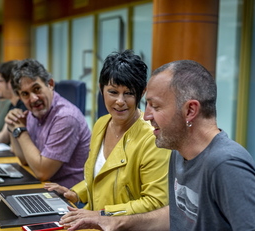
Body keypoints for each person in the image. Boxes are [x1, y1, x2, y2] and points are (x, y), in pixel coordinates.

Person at [60, 60, 255, 231]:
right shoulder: (178, 153)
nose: (148, 115)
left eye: (155, 106)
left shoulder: (226, 165)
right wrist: (114, 220)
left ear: (190, 111)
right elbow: (175, 214)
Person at [44, 50, 171, 217]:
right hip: (92, 220)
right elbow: (101, 177)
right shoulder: (101, 124)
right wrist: (75, 194)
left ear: (141, 93)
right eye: (113, 92)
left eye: (129, 93)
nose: (120, 101)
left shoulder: (152, 137)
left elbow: (156, 203)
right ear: (101, 89)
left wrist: (101, 215)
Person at [4, 58, 91, 188]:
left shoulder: (66, 117)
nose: (33, 98)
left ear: (50, 84)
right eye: (25, 94)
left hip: (70, 197)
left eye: (37, 89)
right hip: (44, 186)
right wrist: (13, 126)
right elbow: (24, 159)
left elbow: (42, 172)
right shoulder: (36, 112)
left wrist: (21, 131)